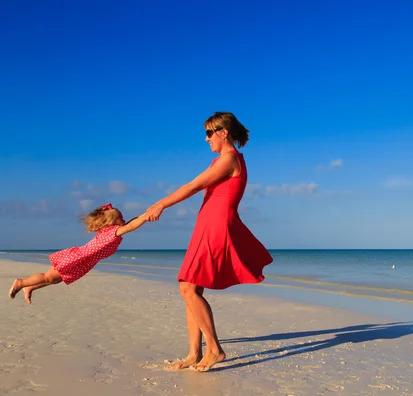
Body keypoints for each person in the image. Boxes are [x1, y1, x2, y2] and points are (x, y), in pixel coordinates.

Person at [146, 111, 272, 372]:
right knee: (191, 289)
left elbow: (193, 186)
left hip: (216, 227)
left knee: (188, 289)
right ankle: (194, 353)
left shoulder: (229, 159)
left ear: (223, 132)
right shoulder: (222, 161)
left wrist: (161, 204)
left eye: (208, 133)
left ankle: (214, 349)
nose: (206, 139)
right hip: (206, 226)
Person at [8, 203, 148, 304]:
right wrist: (147, 216)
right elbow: (132, 225)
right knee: (48, 277)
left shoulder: (109, 231)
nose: (124, 220)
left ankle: (29, 287)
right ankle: (21, 283)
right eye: (121, 218)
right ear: (111, 223)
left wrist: (146, 214)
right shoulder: (113, 232)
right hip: (77, 258)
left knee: (56, 279)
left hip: (82, 260)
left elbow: (131, 223)